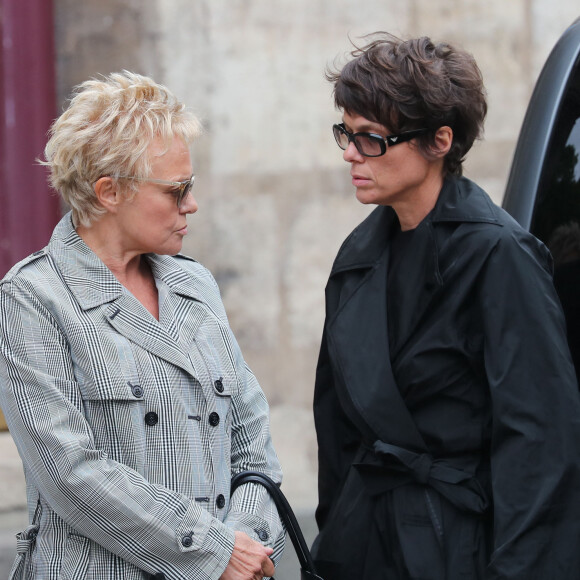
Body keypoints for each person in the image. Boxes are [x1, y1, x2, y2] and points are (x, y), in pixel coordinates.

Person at [311, 33, 580, 579]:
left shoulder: (500, 255)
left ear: (439, 140)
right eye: (347, 133)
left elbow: (539, 443)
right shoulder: (356, 259)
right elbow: (337, 428)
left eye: (371, 140)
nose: (349, 154)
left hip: (465, 548)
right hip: (365, 544)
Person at [0, 71, 283, 580]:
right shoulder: (33, 297)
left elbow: (252, 439)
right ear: (109, 192)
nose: (191, 205)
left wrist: (245, 542)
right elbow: (70, 474)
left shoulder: (194, 284)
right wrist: (213, 553)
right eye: (178, 190)